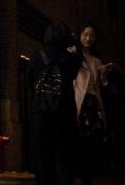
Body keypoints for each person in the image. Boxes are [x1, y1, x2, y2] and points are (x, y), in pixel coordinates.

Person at [27, 21, 84, 185]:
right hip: (64, 109)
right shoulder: (70, 57)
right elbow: (75, 72)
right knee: (65, 154)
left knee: (43, 155)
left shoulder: (37, 55)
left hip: (42, 111)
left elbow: (30, 79)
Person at [74, 22, 114, 184]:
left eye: (91, 35)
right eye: (85, 34)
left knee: (93, 142)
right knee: (81, 141)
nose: (88, 38)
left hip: (93, 103)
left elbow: (100, 85)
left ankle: (88, 175)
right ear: (80, 36)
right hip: (80, 102)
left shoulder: (97, 60)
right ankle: (82, 173)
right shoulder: (74, 55)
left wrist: (104, 74)